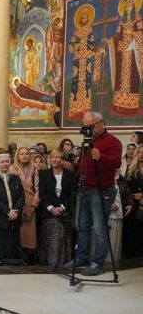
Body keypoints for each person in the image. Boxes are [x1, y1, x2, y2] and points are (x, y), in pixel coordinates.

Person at [63, 112, 122, 275]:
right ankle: (81, 258)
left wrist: (101, 157)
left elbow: (117, 162)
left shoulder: (112, 141)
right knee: (81, 227)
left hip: (100, 190)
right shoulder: (87, 142)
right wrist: (73, 167)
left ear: (101, 123)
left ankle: (98, 263)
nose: (88, 129)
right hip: (83, 189)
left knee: (99, 229)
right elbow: (84, 166)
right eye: (85, 126)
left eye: (91, 126)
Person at [38, 150, 76, 267]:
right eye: (52, 157)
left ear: (62, 160)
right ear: (49, 159)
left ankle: (63, 265)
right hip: (48, 213)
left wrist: (63, 207)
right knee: (51, 242)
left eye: (58, 157)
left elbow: (73, 194)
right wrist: (51, 208)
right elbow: (42, 194)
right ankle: (51, 266)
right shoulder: (43, 174)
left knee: (64, 241)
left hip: (65, 213)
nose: (55, 159)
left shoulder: (70, 175)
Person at [0, 153, 25, 265]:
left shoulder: (15, 178)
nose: (5, 164)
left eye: (7, 161)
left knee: (13, 246)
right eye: (2, 162)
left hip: (15, 217)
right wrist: (7, 211)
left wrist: (16, 210)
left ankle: (12, 264)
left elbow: (22, 196)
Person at [10, 147, 39, 264]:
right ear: (17, 156)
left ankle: (29, 257)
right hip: (17, 201)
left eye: (27, 153)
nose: (25, 156)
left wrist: (33, 207)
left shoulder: (34, 169)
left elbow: (38, 189)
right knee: (18, 231)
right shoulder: (12, 168)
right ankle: (18, 257)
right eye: (22, 154)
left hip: (30, 201)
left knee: (29, 233)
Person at [124, 144, 143, 258]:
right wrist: (133, 197)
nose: (141, 154)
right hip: (133, 205)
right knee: (132, 232)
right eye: (139, 152)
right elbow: (126, 188)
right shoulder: (130, 169)